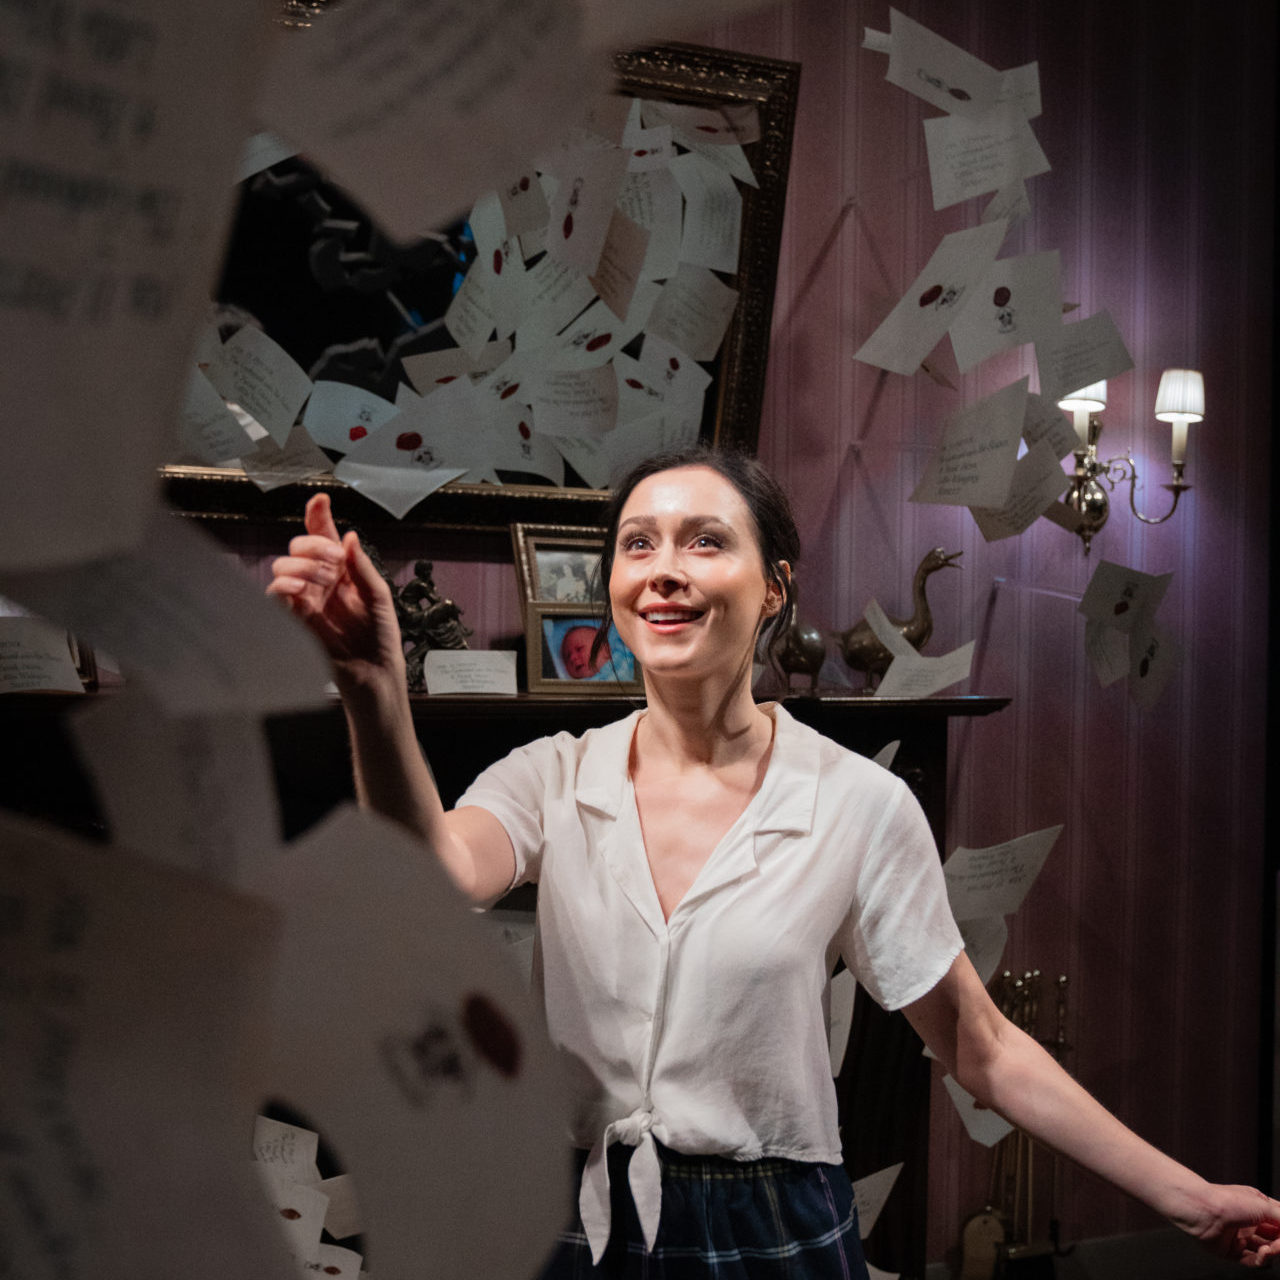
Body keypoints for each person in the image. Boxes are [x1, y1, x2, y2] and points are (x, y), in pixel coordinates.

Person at [268, 446, 1280, 1276]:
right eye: (637, 543)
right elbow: (430, 867)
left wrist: (1186, 1199)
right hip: (583, 1212)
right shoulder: (551, 776)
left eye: (705, 540)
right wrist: (369, 686)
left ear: (772, 588)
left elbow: (981, 1047)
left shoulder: (856, 802)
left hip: (774, 1227)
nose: (663, 566)